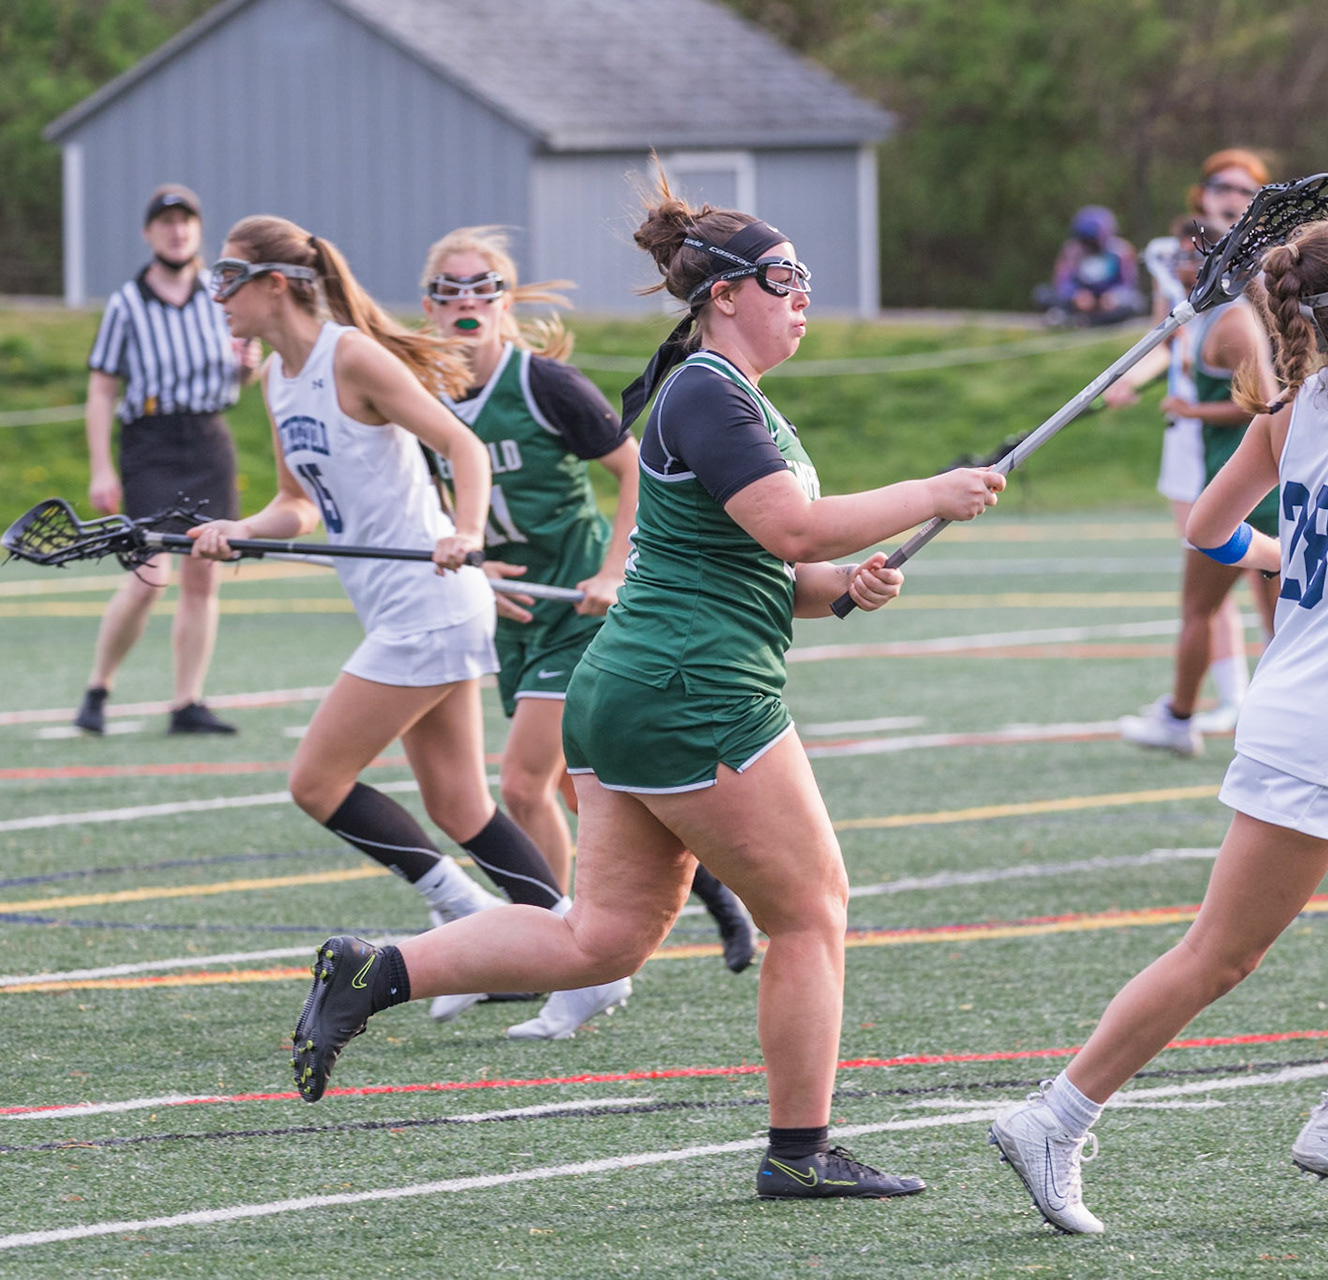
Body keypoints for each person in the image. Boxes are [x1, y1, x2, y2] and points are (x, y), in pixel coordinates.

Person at [285, 180, 1006, 1200]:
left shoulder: (729, 396)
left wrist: (844, 585)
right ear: (724, 295)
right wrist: (933, 490)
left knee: (601, 939)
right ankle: (799, 1152)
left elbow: (771, 563)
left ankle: (378, 969)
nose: (802, 296)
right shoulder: (709, 391)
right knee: (811, 913)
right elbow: (794, 527)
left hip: (630, 684)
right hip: (693, 690)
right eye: (784, 278)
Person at [986, 213, 1328, 1234]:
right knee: (1219, 955)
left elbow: (1208, 527)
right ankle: (1053, 1117)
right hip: (1326, 732)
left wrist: (1308, 560)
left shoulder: (1293, 409)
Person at [188, 215, 630, 1035]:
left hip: (428, 607)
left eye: (227, 279)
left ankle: (466, 916)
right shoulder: (278, 377)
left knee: (315, 782)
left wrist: (465, 531)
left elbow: (464, 448)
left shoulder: (351, 356)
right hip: (403, 607)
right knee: (459, 805)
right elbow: (296, 504)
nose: (218, 297)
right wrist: (236, 532)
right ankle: (581, 964)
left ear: (274, 285)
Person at [419, 227, 758, 993]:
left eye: (482, 287)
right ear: (428, 304)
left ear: (506, 300)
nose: (466, 301)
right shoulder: (425, 395)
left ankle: (550, 956)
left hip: (579, 607)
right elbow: (439, 502)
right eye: (449, 289)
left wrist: (612, 568)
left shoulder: (544, 384)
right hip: (517, 612)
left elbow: (634, 470)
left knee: (521, 784)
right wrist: (477, 568)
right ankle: (718, 897)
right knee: (589, 790)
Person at [74, 184, 254, 737]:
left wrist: (246, 367)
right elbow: (102, 388)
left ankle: (187, 702)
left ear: (198, 229)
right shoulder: (126, 303)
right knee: (148, 575)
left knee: (203, 574)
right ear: (148, 232)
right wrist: (101, 467)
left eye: (185, 221)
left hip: (207, 439)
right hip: (150, 442)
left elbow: (241, 373)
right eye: (166, 222)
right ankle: (99, 687)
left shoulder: (219, 294)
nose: (177, 231)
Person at [1109, 150, 1273, 734]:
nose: (1229, 195)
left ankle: (1194, 714)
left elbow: (1265, 401)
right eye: (1220, 185)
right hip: (1212, 457)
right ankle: (1238, 704)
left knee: (1219, 595)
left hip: (1245, 472)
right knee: (1241, 597)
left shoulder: (1242, 306)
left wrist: (1193, 409)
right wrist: (1130, 381)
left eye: (1243, 188)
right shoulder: (1196, 302)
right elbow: (1164, 343)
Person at [1036, 206, 1142, 326]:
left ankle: (1087, 320)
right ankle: (1075, 318)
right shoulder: (1072, 251)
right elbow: (1062, 282)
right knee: (1042, 294)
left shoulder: (1121, 251)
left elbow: (1129, 284)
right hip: (1081, 301)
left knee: (1136, 303)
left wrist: (1115, 297)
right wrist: (1076, 295)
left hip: (1108, 301)